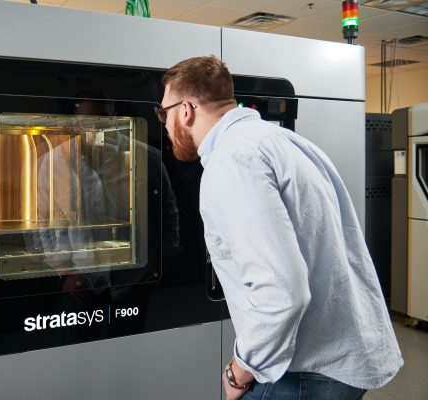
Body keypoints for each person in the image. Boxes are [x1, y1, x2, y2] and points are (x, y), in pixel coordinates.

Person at [156, 55, 402, 400]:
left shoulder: (233, 161)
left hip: (303, 372)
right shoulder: (282, 141)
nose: (165, 125)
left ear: (186, 110)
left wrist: (240, 370)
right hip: (342, 357)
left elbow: (283, 290)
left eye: (164, 113)